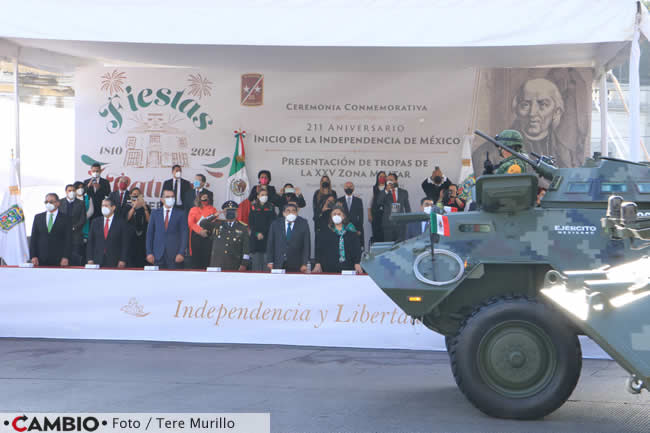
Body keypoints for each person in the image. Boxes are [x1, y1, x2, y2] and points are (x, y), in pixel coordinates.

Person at [200, 201, 250, 271]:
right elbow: (202, 223)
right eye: (228, 211)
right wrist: (214, 215)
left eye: (232, 211)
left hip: (234, 265)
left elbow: (246, 249)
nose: (230, 213)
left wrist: (244, 264)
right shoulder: (217, 225)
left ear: (236, 213)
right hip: (217, 264)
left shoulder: (242, 228)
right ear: (224, 213)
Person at [313, 205, 362, 274]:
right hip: (329, 268)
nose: (336, 216)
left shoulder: (351, 233)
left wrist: (357, 263)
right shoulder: (324, 233)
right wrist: (317, 263)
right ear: (331, 217)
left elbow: (357, 250)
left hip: (348, 268)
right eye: (334, 214)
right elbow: (319, 249)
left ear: (343, 216)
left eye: (339, 214)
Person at [146, 189, 188, 269]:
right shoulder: (155, 213)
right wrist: (149, 252)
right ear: (162, 199)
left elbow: (184, 234)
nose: (170, 199)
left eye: (172, 197)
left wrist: (181, 252)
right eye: (167, 197)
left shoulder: (181, 214)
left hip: (174, 255)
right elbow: (150, 234)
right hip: (157, 254)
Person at [266, 203, 311, 273]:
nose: (291, 213)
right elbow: (270, 243)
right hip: (278, 262)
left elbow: (306, 245)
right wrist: (270, 261)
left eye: (293, 211)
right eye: (288, 211)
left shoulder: (303, 223)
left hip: (296, 264)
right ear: (283, 213)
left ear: (297, 213)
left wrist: (305, 263)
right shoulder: (275, 224)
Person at [29, 193, 71, 267]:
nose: (48, 204)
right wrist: (33, 256)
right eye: (46, 202)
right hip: (40, 258)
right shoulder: (38, 217)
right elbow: (34, 238)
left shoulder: (66, 218)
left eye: (51, 202)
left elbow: (68, 239)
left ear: (58, 203)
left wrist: (66, 257)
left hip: (59, 258)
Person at [86, 197, 130, 268]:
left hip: (115, 260)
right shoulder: (95, 222)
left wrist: (123, 259)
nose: (103, 208)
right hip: (97, 260)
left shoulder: (121, 223)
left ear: (113, 207)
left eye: (106, 206)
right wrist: (89, 258)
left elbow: (125, 243)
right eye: (102, 206)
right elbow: (91, 242)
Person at [376, 172, 411, 242]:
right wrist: (386, 190)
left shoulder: (404, 192)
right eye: (388, 180)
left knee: (401, 246)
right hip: (388, 224)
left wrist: (408, 221)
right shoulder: (383, 192)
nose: (389, 181)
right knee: (388, 246)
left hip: (401, 225)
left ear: (396, 181)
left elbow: (407, 207)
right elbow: (378, 202)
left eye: (391, 180)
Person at [187, 191, 218, 269]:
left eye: (207, 197)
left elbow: (214, 222)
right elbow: (191, 223)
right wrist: (200, 231)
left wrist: (206, 231)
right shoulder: (193, 209)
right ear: (199, 198)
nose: (206, 199)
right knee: (196, 261)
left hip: (208, 236)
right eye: (204, 197)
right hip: (196, 236)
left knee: (207, 260)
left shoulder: (213, 209)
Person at [248, 187, 276, 271]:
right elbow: (251, 223)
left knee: (266, 264)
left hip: (267, 237)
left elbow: (273, 223)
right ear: (258, 196)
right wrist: (257, 233)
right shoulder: (253, 207)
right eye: (262, 195)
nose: (264, 196)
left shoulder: (271, 207)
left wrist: (264, 233)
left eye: (266, 195)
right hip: (256, 239)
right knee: (256, 264)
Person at [59, 183, 86, 266]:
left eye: (73, 190)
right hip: (62, 235)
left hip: (76, 234)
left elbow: (83, 219)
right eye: (69, 190)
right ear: (66, 192)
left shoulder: (81, 203)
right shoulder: (60, 202)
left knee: (75, 256)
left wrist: (74, 227)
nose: (72, 192)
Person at [125, 187, 150, 267]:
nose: (136, 196)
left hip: (142, 238)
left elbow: (149, 220)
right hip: (130, 237)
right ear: (130, 196)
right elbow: (127, 218)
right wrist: (134, 207)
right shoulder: (126, 206)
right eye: (134, 194)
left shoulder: (145, 207)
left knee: (141, 260)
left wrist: (144, 207)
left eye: (138, 195)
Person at [337, 181, 364, 248]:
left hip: (355, 229)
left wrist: (359, 230)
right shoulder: (339, 200)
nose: (348, 188)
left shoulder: (358, 201)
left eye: (350, 186)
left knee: (355, 249)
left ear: (353, 188)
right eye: (347, 186)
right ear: (344, 188)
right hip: (343, 229)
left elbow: (361, 217)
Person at [73, 180, 93, 264]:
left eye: (82, 187)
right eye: (78, 188)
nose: (80, 189)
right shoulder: (72, 199)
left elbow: (91, 211)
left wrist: (83, 218)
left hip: (86, 223)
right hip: (75, 226)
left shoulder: (88, 197)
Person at [369, 171, 387, 244]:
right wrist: (369, 214)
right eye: (380, 176)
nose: (382, 178)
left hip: (386, 214)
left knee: (385, 234)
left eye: (384, 176)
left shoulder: (388, 188)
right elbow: (369, 203)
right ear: (377, 178)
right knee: (376, 233)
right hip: (375, 214)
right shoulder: (373, 188)